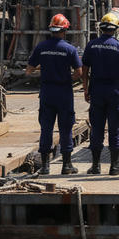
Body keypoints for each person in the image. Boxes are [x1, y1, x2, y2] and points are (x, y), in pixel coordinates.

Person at [25, 14, 83, 175]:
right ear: (64, 31)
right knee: (65, 128)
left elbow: (29, 71)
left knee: (46, 128)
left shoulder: (41, 47)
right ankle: (67, 166)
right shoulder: (70, 49)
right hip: (64, 92)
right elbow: (79, 73)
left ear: (51, 29)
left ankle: (45, 167)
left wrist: (46, 70)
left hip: (47, 93)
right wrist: (65, 78)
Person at [81, 12, 119, 176]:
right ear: (116, 29)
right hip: (114, 91)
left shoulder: (91, 45)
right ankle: (114, 166)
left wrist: (85, 89)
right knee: (115, 127)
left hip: (96, 91)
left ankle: (95, 166)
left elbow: (85, 70)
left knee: (97, 127)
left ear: (101, 28)